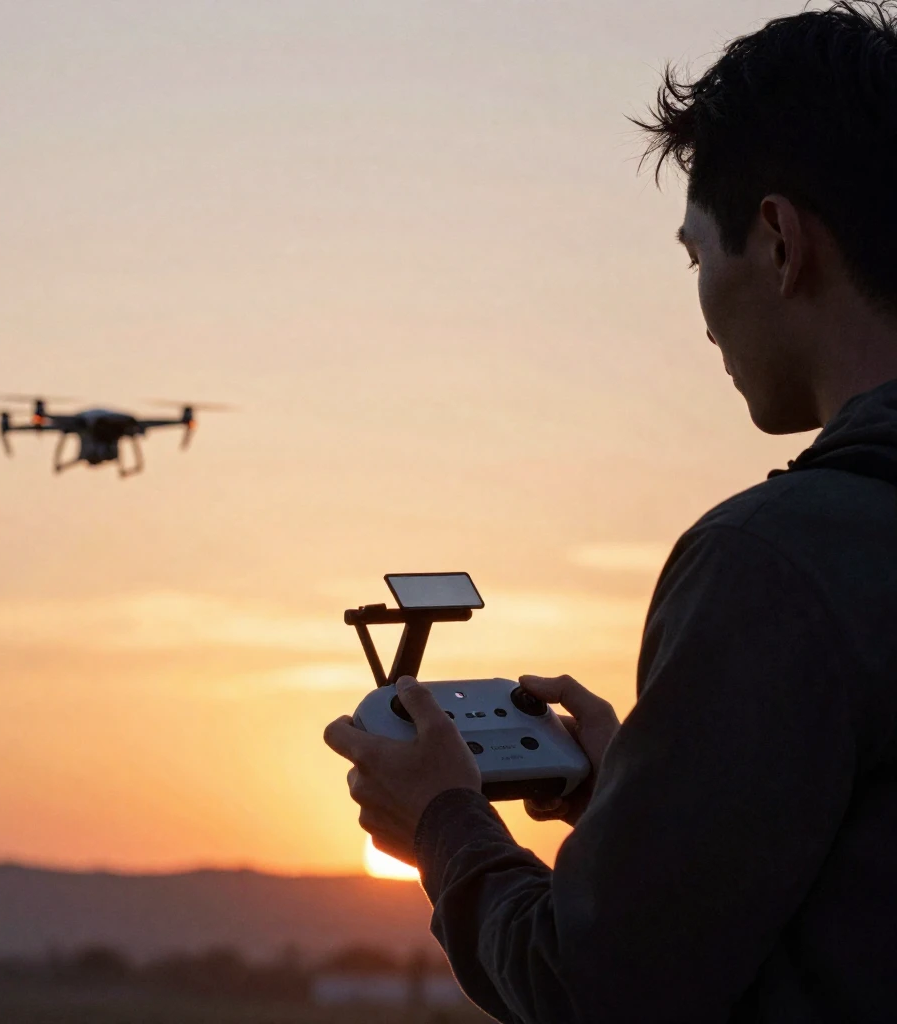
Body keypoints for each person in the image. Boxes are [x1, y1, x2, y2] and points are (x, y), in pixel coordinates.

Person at [324, 3, 897, 1021]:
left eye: (694, 255)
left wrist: (445, 820)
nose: (701, 306)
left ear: (776, 242)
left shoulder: (774, 564)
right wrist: (639, 805)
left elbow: (593, 985)